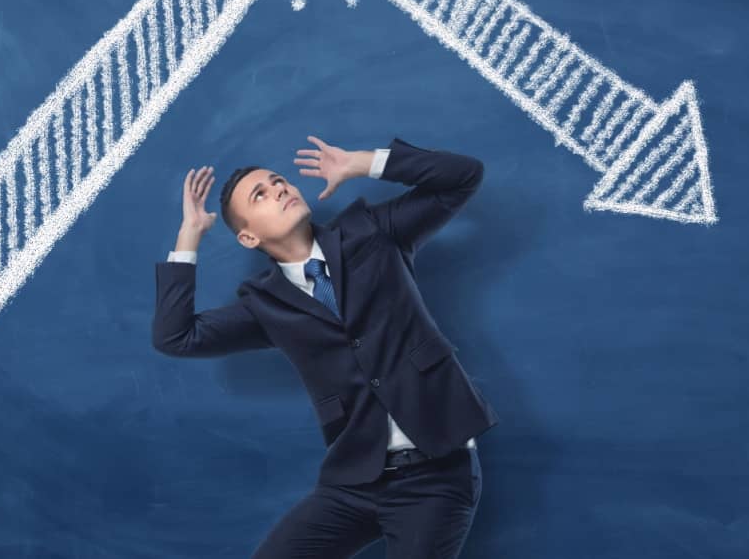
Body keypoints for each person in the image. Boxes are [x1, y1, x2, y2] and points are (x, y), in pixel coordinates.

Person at [152, 135, 500, 558]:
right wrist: (190, 236)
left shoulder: (372, 232)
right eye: (260, 195)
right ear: (248, 238)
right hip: (355, 482)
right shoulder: (264, 306)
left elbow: (463, 177)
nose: (278, 189)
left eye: (279, 181)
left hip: (437, 478)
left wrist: (360, 163)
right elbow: (176, 336)